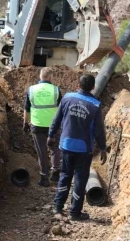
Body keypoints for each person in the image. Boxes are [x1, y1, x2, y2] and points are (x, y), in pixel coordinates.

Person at [49, 74, 107, 221]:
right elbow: (99, 130)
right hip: (83, 149)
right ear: (93, 87)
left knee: (65, 176)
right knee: (80, 180)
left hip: (67, 145)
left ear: (78, 84)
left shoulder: (67, 98)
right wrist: (103, 148)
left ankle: (58, 208)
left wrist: (51, 135)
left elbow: (57, 118)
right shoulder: (94, 105)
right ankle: (75, 212)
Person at [23, 67, 62, 187]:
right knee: (55, 149)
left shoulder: (32, 90)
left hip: (37, 125)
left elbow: (26, 109)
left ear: (40, 76)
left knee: (42, 151)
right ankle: (56, 173)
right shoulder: (56, 90)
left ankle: (44, 178)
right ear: (51, 77)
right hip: (53, 126)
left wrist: (25, 123)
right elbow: (61, 110)